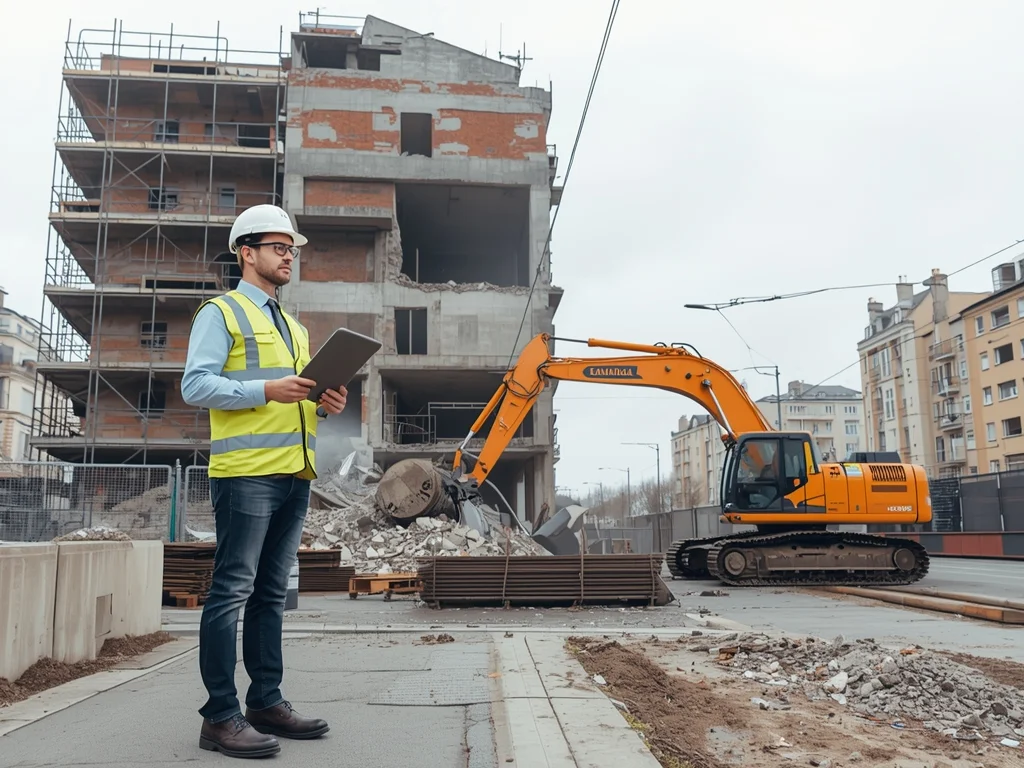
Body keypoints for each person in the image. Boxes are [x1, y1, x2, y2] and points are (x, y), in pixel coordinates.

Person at [181, 203, 347, 759]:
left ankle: (266, 700)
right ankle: (219, 716)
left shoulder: (295, 328)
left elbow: (294, 397)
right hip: (246, 474)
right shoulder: (221, 313)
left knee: (271, 595)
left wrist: (325, 402)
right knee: (231, 592)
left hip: (293, 473)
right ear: (246, 253)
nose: (289, 256)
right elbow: (196, 386)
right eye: (279, 248)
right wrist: (264, 391)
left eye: (292, 249)